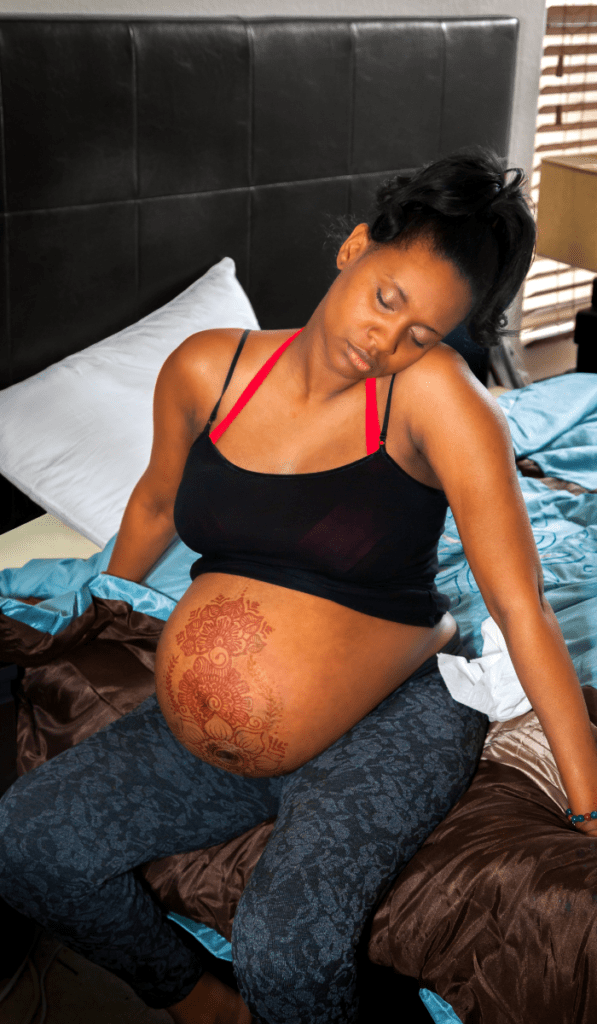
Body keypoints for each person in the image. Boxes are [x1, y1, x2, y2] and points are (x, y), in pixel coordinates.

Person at [1, 146, 595, 1024]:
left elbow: (520, 607)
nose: (384, 341)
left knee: (287, 949)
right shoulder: (206, 369)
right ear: (354, 247)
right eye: (387, 299)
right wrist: (104, 605)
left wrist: (587, 811)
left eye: (421, 332)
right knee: (25, 841)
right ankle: (200, 1000)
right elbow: (157, 502)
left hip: (392, 720)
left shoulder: (434, 399)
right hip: (202, 743)